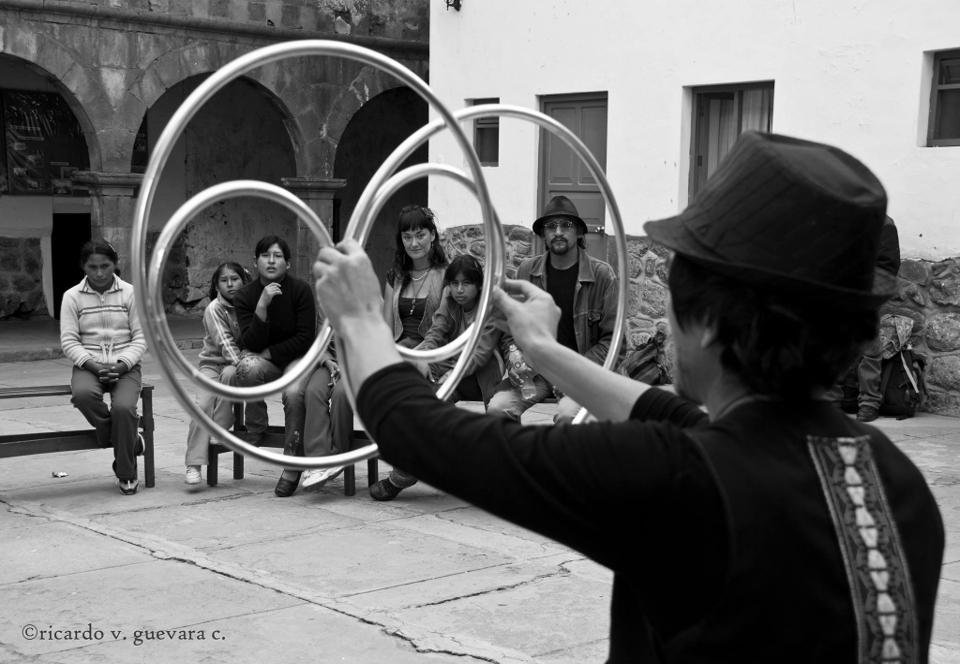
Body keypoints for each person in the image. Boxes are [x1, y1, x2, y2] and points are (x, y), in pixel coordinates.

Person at [313, 132, 944, 662]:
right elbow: (672, 413)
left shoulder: (678, 481)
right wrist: (545, 349)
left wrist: (362, 320)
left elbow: (416, 430)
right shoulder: (896, 481)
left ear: (706, 323)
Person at [325, 205, 449, 498]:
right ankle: (336, 459)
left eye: (420, 235)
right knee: (345, 389)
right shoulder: (396, 276)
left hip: (431, 354)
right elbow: (383, 326)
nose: (414, 243)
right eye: (407, 237)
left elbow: (446, 328)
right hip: (394, 352)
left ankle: (402, 466)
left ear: (433, 236)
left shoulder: (446, 275)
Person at [368, 254, 510, 501]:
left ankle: (402, 473)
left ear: (479, 285)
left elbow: (480, 353)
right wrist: (421, 357)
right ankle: (404, 459)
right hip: (451, 368)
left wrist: (450, 376)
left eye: (466, 283)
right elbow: (435, 333)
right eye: (454, 283)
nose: (459, 290)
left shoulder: (490, 307)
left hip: (481, 376)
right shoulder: (449, 301)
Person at [487, 195, 620, 425]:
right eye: (551, 226)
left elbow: (614, 341)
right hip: (536, 372)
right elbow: (509, 327)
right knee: (498, 408)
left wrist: (574, 372)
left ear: (579, 232)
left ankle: (564, 460)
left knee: (570, 416)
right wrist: (513, 355)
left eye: (566, 225)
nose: (558, 231)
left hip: (581, 374)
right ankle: (518, 459)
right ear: (543, 236)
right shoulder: (526, 272)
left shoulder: (602, 276)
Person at [233, 235, 340, 497]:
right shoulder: (246, 295)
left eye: (278, 255)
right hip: (267, 363)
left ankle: (291, 463)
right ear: (255, 261)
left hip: (295, 359)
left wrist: (268, 352)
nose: (271, 260)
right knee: (245, 368)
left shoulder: (300, 289)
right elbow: (249, 341)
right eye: (265, 255)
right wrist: (261, 307)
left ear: (288, 263)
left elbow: (305, 339)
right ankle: (257, 427)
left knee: (294, 393)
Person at [60, 240, 147, 495]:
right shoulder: (72, 297)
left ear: (116, 264)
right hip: (88, 365)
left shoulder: (131, 294)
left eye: (105, 266)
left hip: (126, 366)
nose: (99, 273)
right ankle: (129, 441)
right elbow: (69, 341)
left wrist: (122, 365)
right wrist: (93, 366)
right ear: (83, 266)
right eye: (92, 267)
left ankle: (126, 474)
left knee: (123, 408)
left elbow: (141, 338)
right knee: (83, 396)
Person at [183, 262, 250, 486]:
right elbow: (225, 345)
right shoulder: (214, 309)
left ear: (244, 280)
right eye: (224, 280)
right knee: (202, 406)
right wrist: (245, 363)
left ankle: (220, 426)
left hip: (234, 366)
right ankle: (194, 462)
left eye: (235, 279)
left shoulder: (252, 304)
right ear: (217, 285)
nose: (230, 284)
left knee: (231, 375)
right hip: (212, 365)